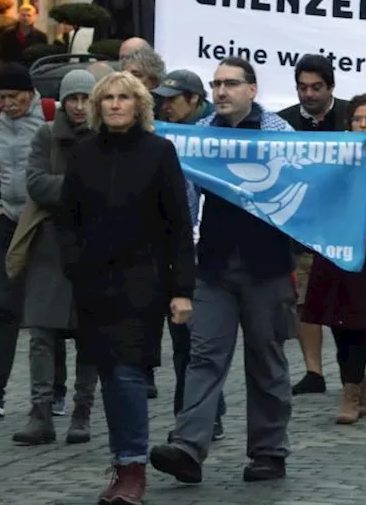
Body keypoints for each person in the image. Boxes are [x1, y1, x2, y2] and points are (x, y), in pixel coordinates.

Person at [150, 57, 299, 486]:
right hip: (213, 268)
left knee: (266, 361)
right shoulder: (198, 136)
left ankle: (269, 451)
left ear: (252, 89)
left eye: (230, 83)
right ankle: (188, 448)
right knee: (203, 357)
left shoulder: (277, 133)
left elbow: (313, 172)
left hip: (266, 267)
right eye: (216, 84)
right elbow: (184, 199)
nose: (221, 92)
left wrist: (361, 150)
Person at [55, 71, 196, 505]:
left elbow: (178, 226)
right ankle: (122, 462)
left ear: (139, 105)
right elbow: (67, 220)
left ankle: (132, 467)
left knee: (128, 373)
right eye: (108, 98)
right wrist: (75, 265)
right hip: (93, 284)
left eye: (124, 98)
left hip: (143, 282)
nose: (115, 104)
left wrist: (181, 289)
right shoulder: (83, 154)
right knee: (107, 374)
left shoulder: (159, 152)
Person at [300, 94, 366, 424]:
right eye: (358, 120)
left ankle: (350, 393)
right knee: (334, 319)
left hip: (365, 255)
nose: (362, 125)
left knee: (355, 323)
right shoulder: (334, 160)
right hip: (331, 251)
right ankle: (359, 381)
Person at [12, 70, 100, 447]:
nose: (79, 107)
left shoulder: (105, 136)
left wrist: (68, 188)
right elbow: (34, 183)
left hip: (93, 246)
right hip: (48, 245)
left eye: (85, 99)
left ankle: (82, 412)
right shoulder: (46, 135)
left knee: (89, 336)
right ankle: (41, 413)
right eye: (73, 99)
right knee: (42, 334)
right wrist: (82, 187)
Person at [0, 64, 62, 418]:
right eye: (1, 98)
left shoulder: (50, 115)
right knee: (7, 305)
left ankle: (56, 391)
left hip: (45, 221)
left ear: (30, 93)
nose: (8, 103)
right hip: (9, 221)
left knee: (48, 309)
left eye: (14, 96)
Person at [150, 69, 226, 438]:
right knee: (183, 339)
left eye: (173, 99)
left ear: (195, 100)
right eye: (162, 99)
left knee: (201, 341)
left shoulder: (213, 134)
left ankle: (201, 415)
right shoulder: (164, 135)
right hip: (175, 249)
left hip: (211, 251)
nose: (165, 106)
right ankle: (195, 414)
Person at [276, 55, 350, 396]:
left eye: (316, 87)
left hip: (343, 224)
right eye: (302, 88)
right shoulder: (283, 123)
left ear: (331, 87)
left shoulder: (353, 117)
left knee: (343, 302)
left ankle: (354, 371)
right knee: (304, 301)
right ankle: (313, 371)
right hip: (301, 226)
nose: (308, 94)